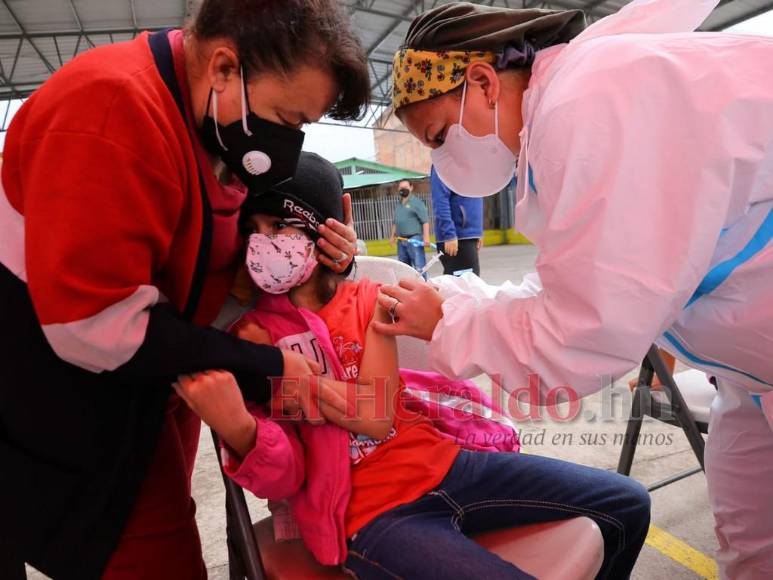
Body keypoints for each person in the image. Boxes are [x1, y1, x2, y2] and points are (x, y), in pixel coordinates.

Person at [376, 2, 773, 578]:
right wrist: (461, 301)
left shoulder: (587, 106)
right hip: (750, 376)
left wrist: (446, 323)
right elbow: (576, 280)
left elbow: (584, 334)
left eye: (439, 136)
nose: (443, 160)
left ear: (483, 82)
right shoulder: (575, 101)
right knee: (749, 539)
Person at [0, 1, 368, 578]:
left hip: (158, 391)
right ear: (224, 67)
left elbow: (219, 262)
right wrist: (266, 365)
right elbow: (92, 327)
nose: (289, 141)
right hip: (70, 402)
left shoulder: (211, 127)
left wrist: (324, 259)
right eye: (288, 118)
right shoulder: (110, 110)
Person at [175, 152, 651, 580]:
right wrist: (240, 428)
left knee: (628, 503)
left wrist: (296, 379)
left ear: (322, 229)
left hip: (449, 466)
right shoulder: (248, 341)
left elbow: (377, 414)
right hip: (370, 514)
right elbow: (286, 475)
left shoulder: (368, 298)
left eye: (278, 227)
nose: (263, 245)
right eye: (252, 233)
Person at [431, 165, 484, 276]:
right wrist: (449, 235)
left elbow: (475, 198)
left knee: (471, 283)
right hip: (456, 238)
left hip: (468, 236)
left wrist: (478, 232)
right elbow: (440, 201)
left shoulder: (471, 163)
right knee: (462, 286)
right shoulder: (444, 164)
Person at [389, 179, 431, 276]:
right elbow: (396, 221)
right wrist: (392, 236)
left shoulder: (417, 203)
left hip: (414, 239)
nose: (403, 190)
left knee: (419, 267)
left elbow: (425, 221)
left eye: (405, 187)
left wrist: (426, 237)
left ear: (411, 188)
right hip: (401, 240)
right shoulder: (398, 204)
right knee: (404, 268)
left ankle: (423, 285)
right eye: (401, 188)